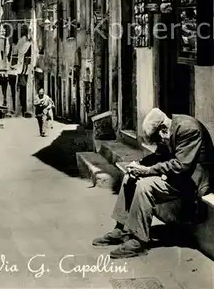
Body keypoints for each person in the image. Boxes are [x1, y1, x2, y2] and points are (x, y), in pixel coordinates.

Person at [92, 108, 214, 258]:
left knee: (145, 186)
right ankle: (121, 229)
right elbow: (159, 156)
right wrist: (138, 164)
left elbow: (181, 165)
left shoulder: (188, 129)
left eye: (157, 139)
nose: (158, 143)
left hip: (193, 181)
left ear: (162, 129)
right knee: (130, 178)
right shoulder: (168, 131)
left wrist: (147, 170)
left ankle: (139, 241)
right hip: (179, 177)